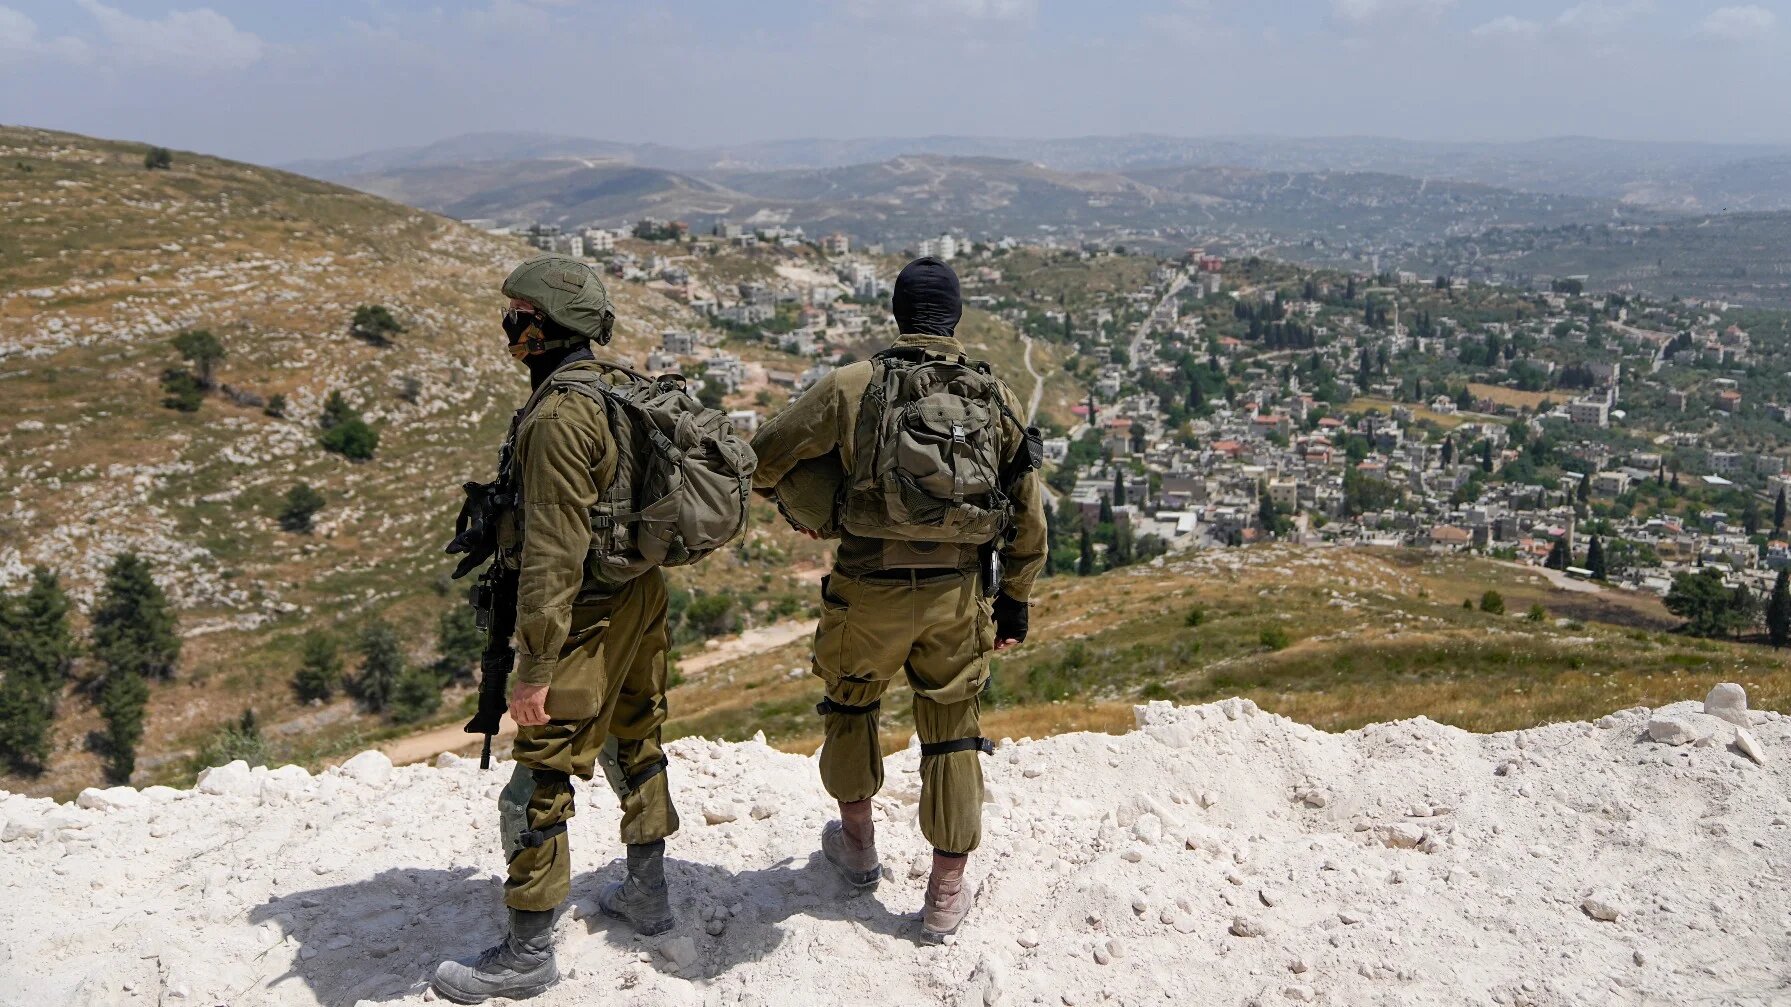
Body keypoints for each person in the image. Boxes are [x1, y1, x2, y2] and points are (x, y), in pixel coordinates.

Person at [749, 256, 1047, 942]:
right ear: (955, 318)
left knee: (851, 704)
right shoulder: (995, 395)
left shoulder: (851, 385)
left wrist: (814, 506)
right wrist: (1016, 599)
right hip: (957, 594)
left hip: (867, 589)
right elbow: (1027, 512)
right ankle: (944, 895)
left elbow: (762, 458)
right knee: (952, 730)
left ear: (897, 313)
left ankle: (857, 849)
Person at [435, 255, 680, 1004]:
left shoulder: (555, 417)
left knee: (539, 772)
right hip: (640, 594)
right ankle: (647, 896)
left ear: (543, 325)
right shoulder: (616, 386)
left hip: (584, 610)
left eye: (518, 313)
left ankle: (527, 952)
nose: (509, 324)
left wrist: (535, 666)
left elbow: (552, 550)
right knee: (634, 734)